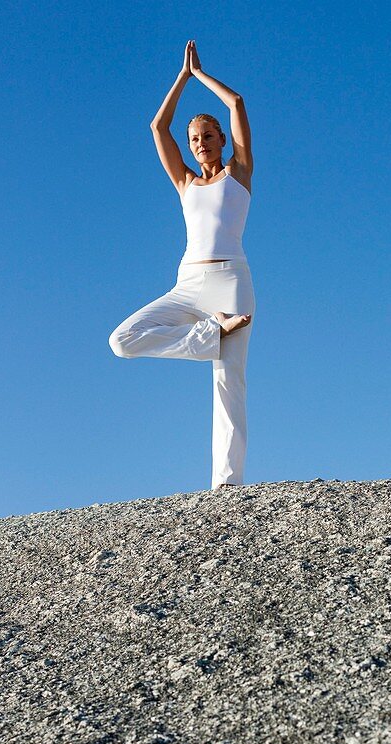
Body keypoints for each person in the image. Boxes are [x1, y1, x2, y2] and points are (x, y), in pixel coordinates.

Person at [108, 40, 255, 491]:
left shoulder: (239, 172)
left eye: (208, 136)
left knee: (228, 382)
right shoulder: (185, 182)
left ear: (222, 140)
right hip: (188, 284)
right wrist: (181, 78)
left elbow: (236, 102)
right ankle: (212, 332)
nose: (200, 144)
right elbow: (157, 126)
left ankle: (225, 486)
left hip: (231, 280)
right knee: (123, 340)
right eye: (194, 139)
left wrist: (202, 75)